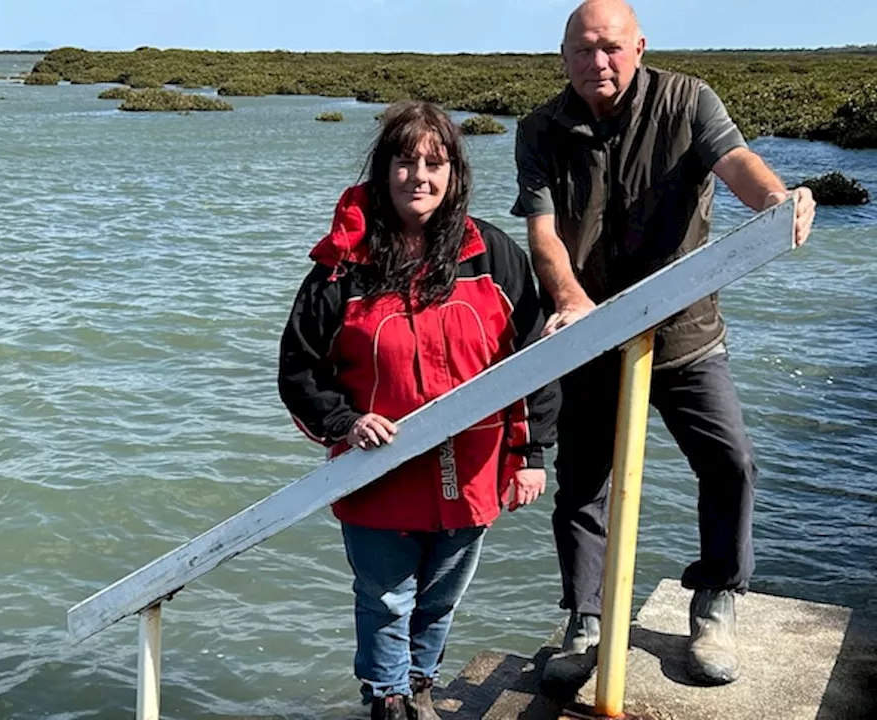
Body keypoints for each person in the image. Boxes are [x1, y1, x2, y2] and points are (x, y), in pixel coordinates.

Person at [511, 0, 817, 691]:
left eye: (612, 48)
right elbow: (543, 232)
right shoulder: (539, 130)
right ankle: (584, 619)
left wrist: (777, 204)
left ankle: (717, 600)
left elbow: (738, 164)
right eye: (584, 50)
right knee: (582, 487)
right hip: (588, 334)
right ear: (563, 56)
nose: (599, 62)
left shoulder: (689, 101)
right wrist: (568, 300)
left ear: (640, 47)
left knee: (730, 461)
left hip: (686, 331)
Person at [278, 100, 559, 720]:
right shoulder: (341, 267)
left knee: (438, 599)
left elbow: (538, 356)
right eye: (405, 163)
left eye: (435, 163)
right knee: (385, 600)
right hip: (377, 472)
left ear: (454, 174)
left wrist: (532, 453)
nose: (419, 177)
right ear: (383, 172)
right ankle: (387, 697)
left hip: (475, 470)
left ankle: (422, 685)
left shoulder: (492, 254)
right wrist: (345, 424)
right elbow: (299, 370)